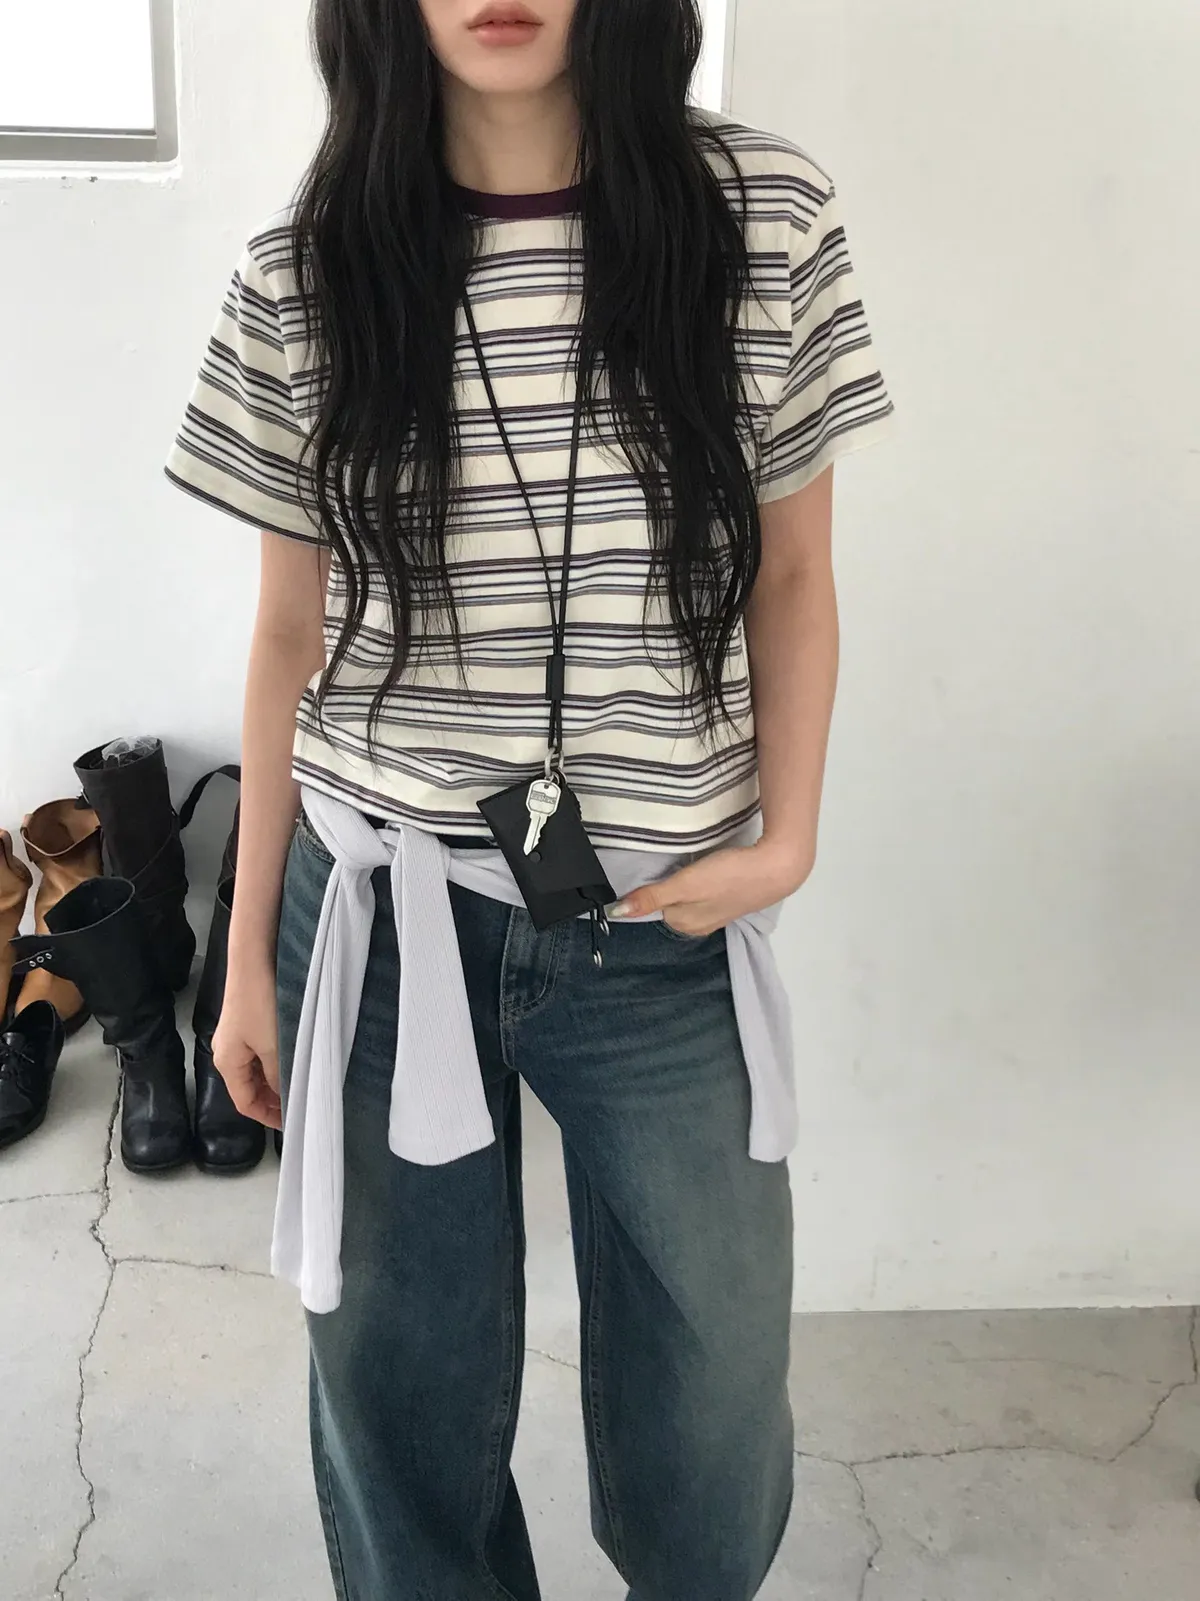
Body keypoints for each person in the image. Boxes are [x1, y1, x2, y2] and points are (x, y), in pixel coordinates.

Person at [165, 1, 893, 1595]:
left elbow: (795, 571)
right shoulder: (308, 266)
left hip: (658, 914)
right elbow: (289, 631)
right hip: (381, 906)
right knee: (397, 1396)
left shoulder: (763, 219)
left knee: (715, 1400)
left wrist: (788, 838)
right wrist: (243, 958)